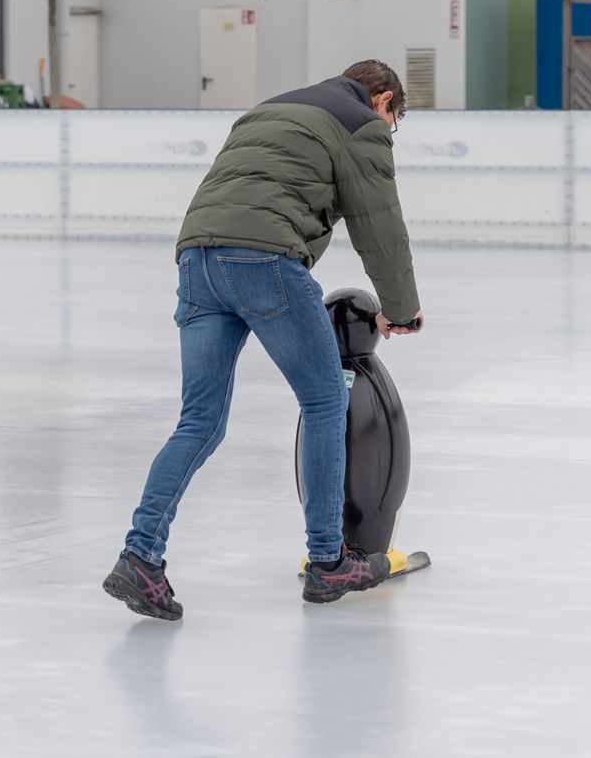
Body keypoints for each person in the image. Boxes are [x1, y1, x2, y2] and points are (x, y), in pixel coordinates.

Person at [103, 60, 423, 620]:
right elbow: (379, 222)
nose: (389, 130)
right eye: (394, 119)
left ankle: (140, 557)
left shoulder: (269, 108)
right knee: (327, 401)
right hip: (264, 261)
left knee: (198, 421)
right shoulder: (360, 123)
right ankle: (328, 562)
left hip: (196, 259)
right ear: (385, 100)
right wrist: (401, 308)